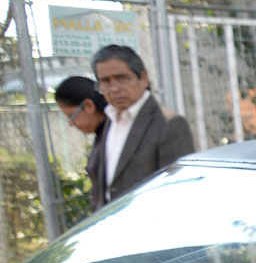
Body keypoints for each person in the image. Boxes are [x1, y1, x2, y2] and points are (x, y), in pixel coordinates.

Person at [90, 44, 195, 210]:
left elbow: (180, 190)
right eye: (105, 81)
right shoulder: (111, 119)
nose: (114, 88)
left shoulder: (169, 124)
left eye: (122, 78)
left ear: (143, 78)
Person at [54, 76, 109, 205]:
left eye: (71, 116)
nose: (71, 123)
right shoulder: (103, 132)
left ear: (89, 105)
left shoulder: (113, 133)